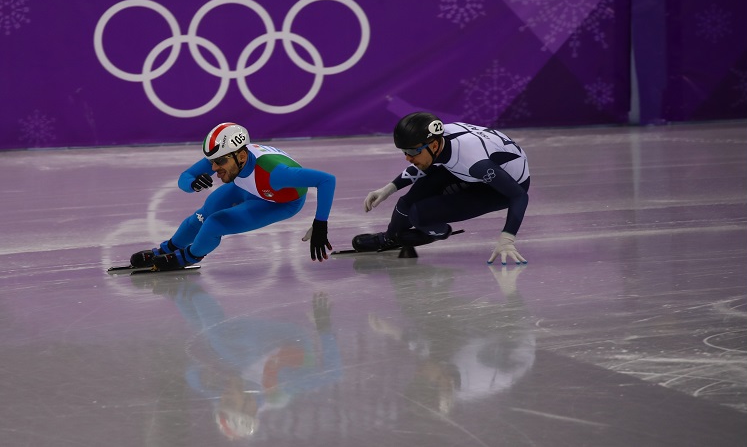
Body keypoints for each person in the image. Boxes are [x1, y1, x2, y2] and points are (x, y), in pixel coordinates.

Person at [130, 122, 336, 271]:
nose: (213, 168)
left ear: (242, 156)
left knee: (215, 223)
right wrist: (192, 184)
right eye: (211, 161)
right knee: (203, 213)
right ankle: (167, 248)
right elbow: (185, 177)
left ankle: (187, 257)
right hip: (248, 186)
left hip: (278, 201)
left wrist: (320, 224)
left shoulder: (277, 174)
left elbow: (327, 180)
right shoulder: (232, 157)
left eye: (219, 162)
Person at [353, 112, 530, 264]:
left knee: (419, 214)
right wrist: (390, 188)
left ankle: (439, 232)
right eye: (404, 152)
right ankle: (390, 238)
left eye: (412, 152)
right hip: (467, 167)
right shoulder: (435, 139)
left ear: (435, 145)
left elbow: (519, 196)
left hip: (501, 187)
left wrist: (508, 237)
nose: (408, 158)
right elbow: (421, 161)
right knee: (405, 204)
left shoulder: (474, 163)